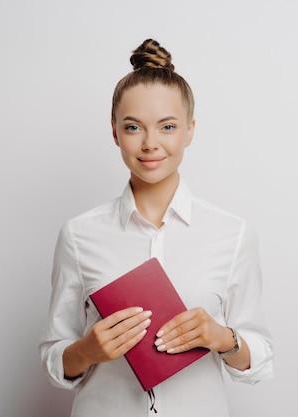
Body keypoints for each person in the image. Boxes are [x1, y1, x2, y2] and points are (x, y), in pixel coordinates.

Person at [38, 38, 274, 417]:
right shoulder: (79, 236)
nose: (150, 144)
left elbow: (259, 359)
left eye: (167, 126)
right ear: (115, 132)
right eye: (134, 127)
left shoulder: (233, 235)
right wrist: (87, 350)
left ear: (189, 131)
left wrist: (222, 338)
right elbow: (54, 358)